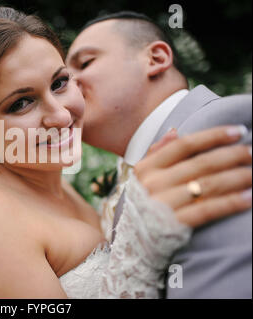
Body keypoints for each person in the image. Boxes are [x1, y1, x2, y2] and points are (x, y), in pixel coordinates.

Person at [0, 7, 252, 299]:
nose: (62, 114)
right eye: (22, 103)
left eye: (60, 83)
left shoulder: (68, 193)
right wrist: (138, 257)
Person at [66, 11, 252, 298]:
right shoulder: (128, 172)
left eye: (85, 63)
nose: (68, 90)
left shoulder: (216, 132)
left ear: (156, 59)